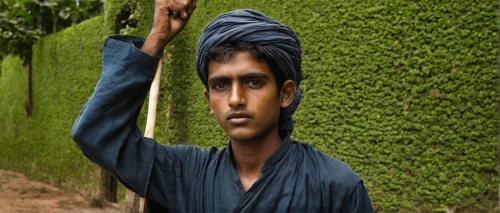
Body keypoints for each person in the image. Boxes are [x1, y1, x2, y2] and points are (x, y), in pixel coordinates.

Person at [71, 0, 373, 212]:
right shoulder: (185, 174)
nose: (235, 99)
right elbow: (96, 133)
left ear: (286, 93)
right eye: (220, 85)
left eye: (254, 82)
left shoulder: (335, 187)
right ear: (209, 102)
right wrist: (157, 39)